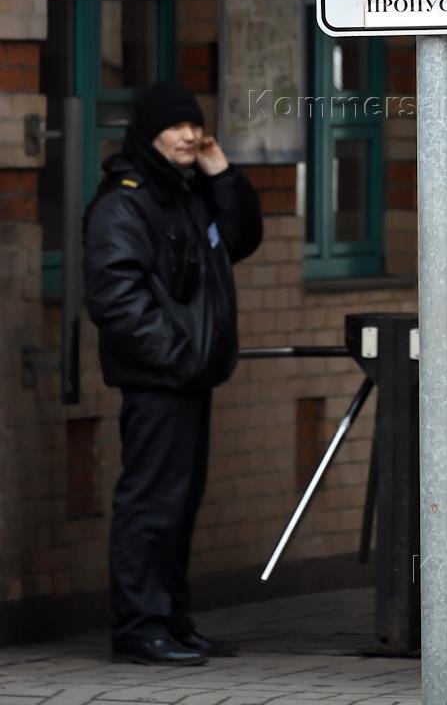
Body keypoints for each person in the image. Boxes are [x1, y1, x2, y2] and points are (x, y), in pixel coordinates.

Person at [83, 82, 263, 666]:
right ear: (148, 133)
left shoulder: (183, 192)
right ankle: (139, 627)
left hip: (187, 375)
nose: (189, 135)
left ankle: (171, 620)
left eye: (195, 125)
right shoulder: (125, 203)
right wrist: (178, 355)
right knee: (151, 502)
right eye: (176, 127)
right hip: (159, 377)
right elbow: (115, 298)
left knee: (180, 504)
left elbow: (239, 238)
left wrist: (221, 172)